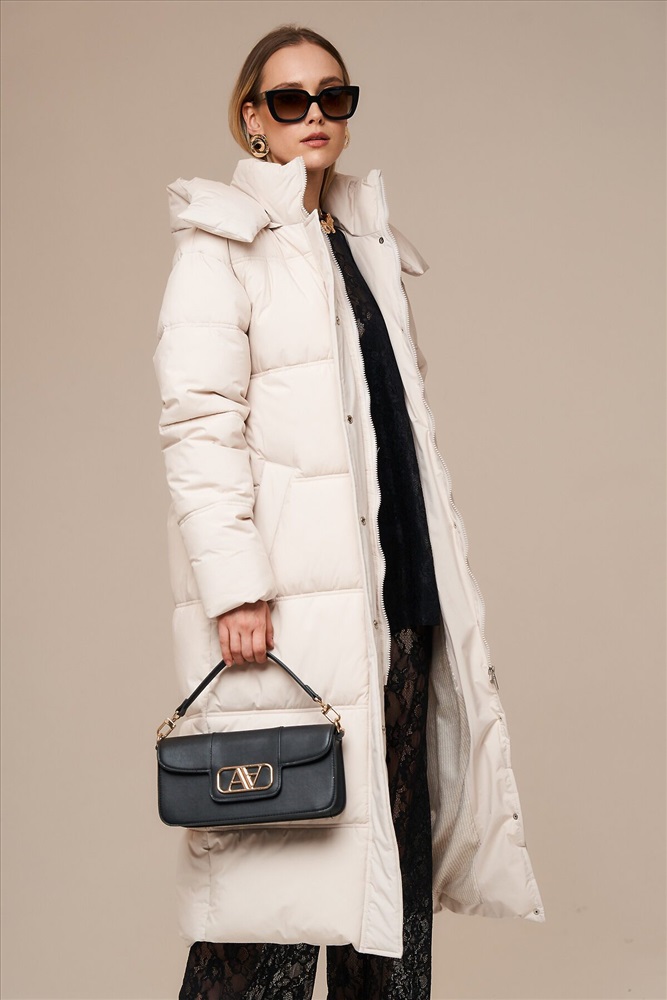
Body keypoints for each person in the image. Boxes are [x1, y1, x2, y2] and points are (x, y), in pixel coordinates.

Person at [153, 23, 544, 1000]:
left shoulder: (359, 238)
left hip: (395, 601)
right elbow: (198, 426)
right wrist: (235, 588)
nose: (315, 115)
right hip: (291, 616)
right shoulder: (221, 245)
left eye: (333, 96)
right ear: (252, 118)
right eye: (290, 100)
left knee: (390, 880)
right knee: (277, 893)